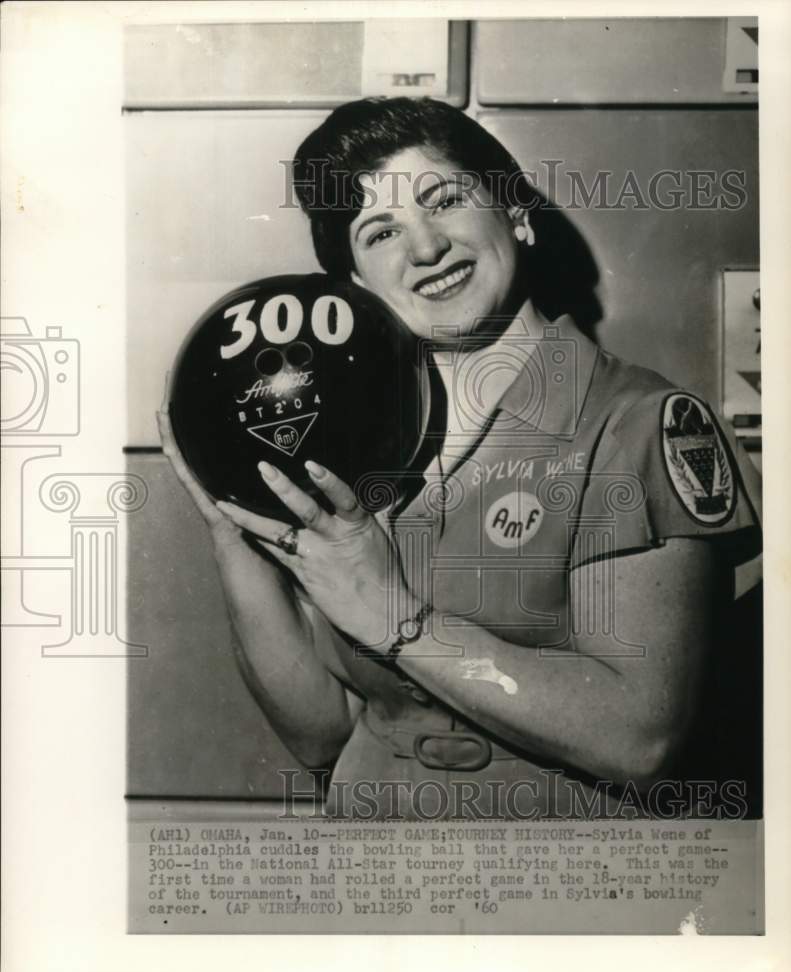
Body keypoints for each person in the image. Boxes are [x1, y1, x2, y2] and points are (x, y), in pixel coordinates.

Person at [158, 97, 762, 820]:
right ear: (353, 283)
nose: (425, 249)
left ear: (514, 213)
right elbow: (322, 736)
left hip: (564, 883)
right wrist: (234, 538)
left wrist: (394, 618)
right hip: (374, 876)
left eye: (444, 200)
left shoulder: (633, 424)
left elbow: (637, 737)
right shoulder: (363, 443)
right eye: (381, 232)